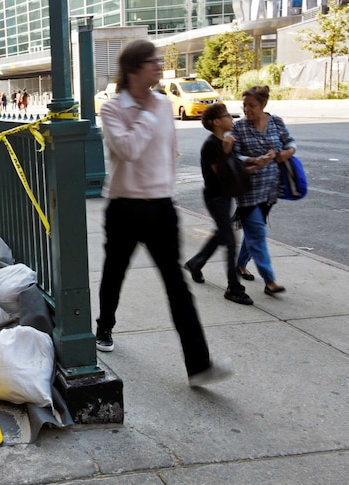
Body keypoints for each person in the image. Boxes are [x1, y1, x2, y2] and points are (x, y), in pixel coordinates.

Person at [96, 39, 232, 386]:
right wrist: (147, 111)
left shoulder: (163, 103)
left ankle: (199, 365)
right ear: (133, 70)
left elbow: (168, 153)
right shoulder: (113, 109)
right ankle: (104, 328)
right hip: (124, 207)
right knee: (115, 273)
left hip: (160, 207)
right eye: (153, 62)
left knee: (176, 285)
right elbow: (128, 149)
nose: (159, 67)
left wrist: (167, 195)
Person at [184, 103, 254, 305]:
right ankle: (234, 288)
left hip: (226, 196)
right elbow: (221, 174)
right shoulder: (212, 145)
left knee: (221, 234)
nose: (231, 119)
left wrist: (254, 164)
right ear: (216, 122)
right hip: (216, 197)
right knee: (230, 241)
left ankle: (196, 263)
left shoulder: (224, 141)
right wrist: (225, 151)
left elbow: (233, 170)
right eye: (226, 116)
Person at [231, 85, 296, 296]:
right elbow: (234, 157)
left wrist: (288, 152)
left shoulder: (275, 122)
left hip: (271, 189)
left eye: (252, 106)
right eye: (244, 106)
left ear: (263, 104)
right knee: (258, 233)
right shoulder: (238, 128)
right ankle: (270, 280)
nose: (247, 110)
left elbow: (290, 142)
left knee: (253, 231)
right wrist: (253, 160)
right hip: (247, 190)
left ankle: (240, 264)